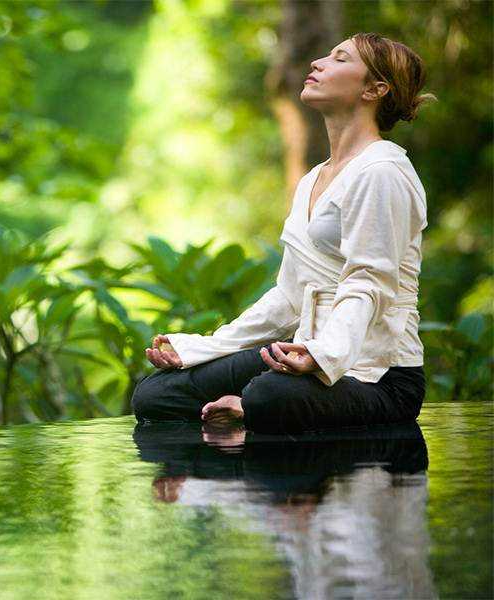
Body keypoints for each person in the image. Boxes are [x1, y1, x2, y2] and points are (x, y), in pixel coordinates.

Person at [131, 32, 438, 434]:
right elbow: (290, 296)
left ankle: (248, 408)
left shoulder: (382, 172)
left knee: (268, 396)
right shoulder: (313, 180)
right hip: (303, 354)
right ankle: (245, 415)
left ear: (375, 89)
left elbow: (370, 281)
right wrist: (199, 348)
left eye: (339, 59)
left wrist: (323, 355)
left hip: (379, 376)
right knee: (156, 395)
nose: (318, 63)